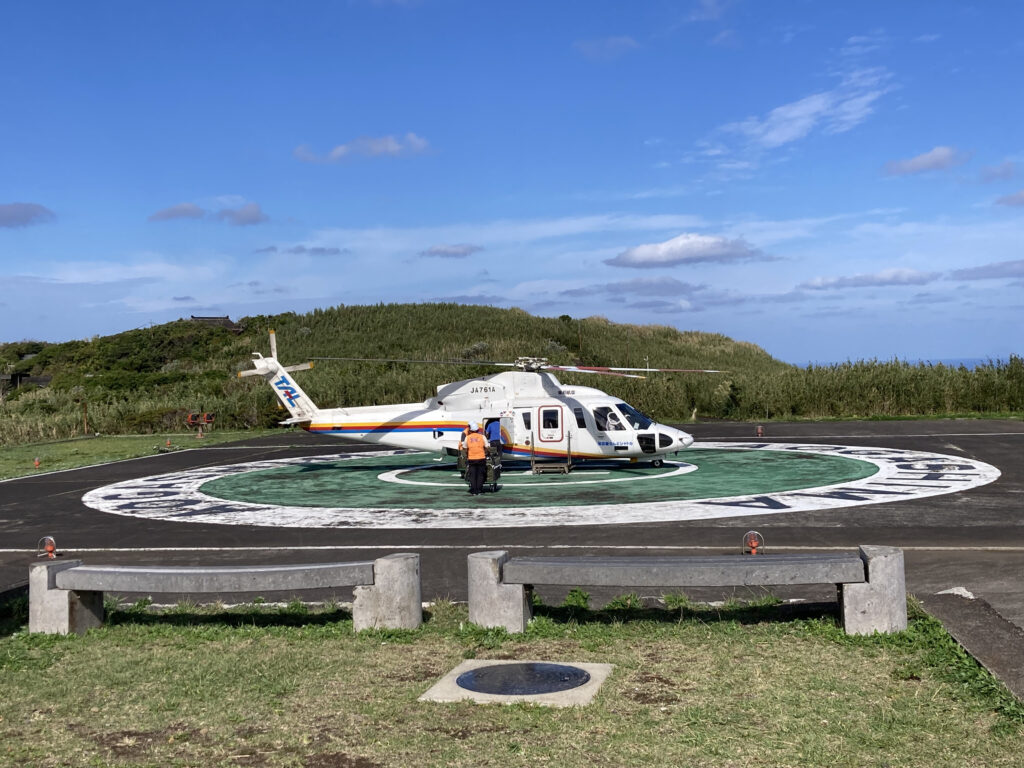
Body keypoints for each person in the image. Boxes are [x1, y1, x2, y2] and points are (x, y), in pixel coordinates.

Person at [464, 422, 488, 495]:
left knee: (472, 475)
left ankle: (474, 491)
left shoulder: (467, 437)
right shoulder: (482, 437)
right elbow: (487, 447)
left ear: (471, 430)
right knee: (480, 474)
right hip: (481, 457)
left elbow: (465, 448)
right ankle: (479, 490)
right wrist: (485, 453)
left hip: (471, 458)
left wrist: (468, 454)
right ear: (478, 429)